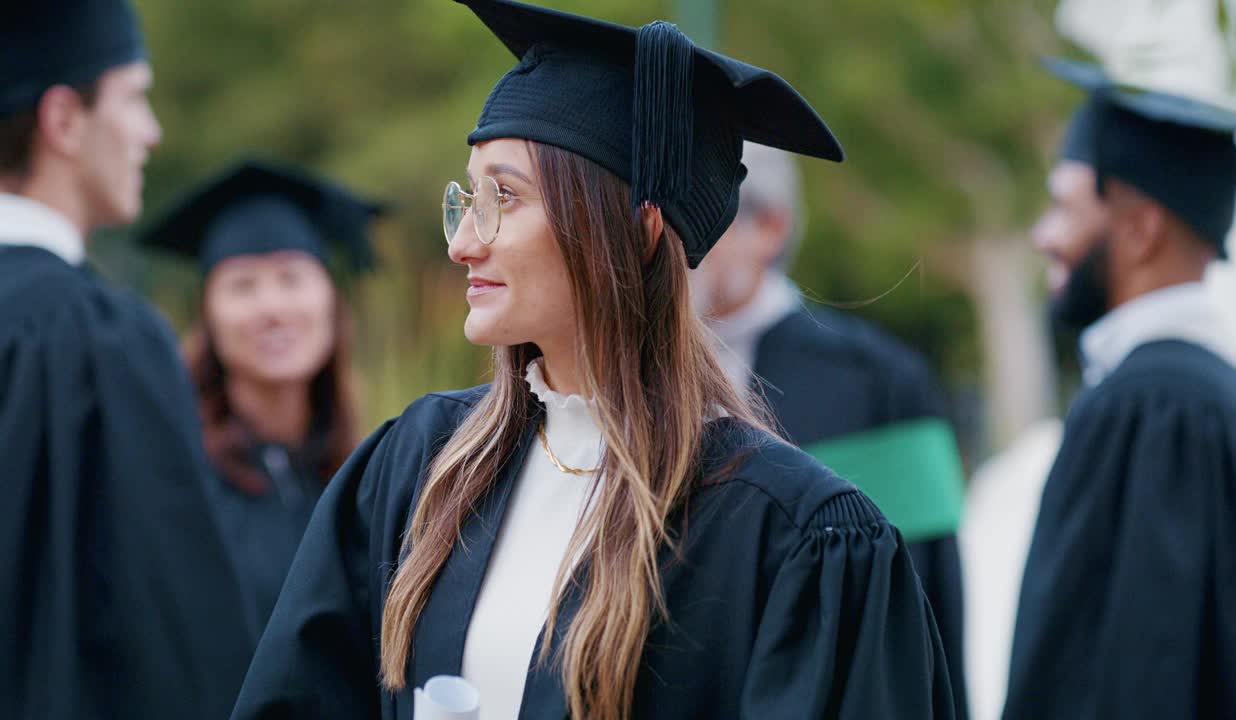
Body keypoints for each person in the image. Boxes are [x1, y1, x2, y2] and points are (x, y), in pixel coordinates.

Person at [233, 1, 956, 719]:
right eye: (466, 197)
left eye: (504, 198)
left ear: (637, 230)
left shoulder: (790, 533)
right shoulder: (418, 466)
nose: (462, 242)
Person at [1003, 58, 1236, 720]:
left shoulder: (1146, 408)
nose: (1045, 235)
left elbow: (1113, 678)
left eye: (1066, 207)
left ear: (1140, 227)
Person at [0, 3, 254, 718]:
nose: (151, 132)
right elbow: (175, 640)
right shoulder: (98, 338)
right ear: (63, 121)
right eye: (135, 97)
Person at [693, 141, 969, 718]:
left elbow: (923, 605)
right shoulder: (624, 378)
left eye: (698, 214)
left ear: (768, 226)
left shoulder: (883, 383)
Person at [140, 159, 387, 642]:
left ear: (330, 302)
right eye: (243, 285)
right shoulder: (173, 477)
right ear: (207, 317)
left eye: (292, 278)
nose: (272, 308)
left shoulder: (370, 476)